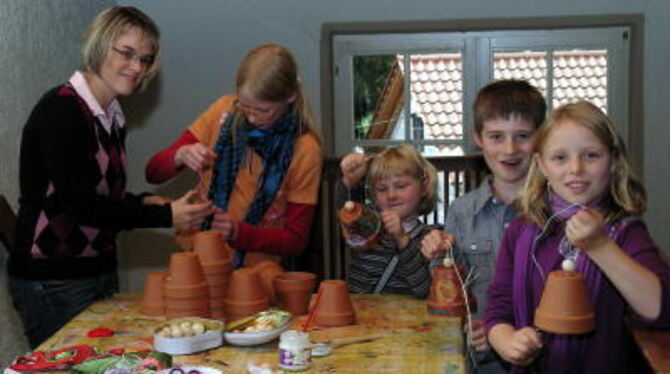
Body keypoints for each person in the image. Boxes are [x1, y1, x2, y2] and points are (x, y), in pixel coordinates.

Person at [8, 6, 213, 348]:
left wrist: (149, 201)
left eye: (145, 60)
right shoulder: (62, 110)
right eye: (127, 54)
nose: (137, 67)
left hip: (93, 269)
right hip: (53, 277)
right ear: (101, 46)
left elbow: (102, 198)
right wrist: (165, 215)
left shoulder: (112, 116)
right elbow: (81, 207)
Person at [484, 101, 670, 373]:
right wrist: (507, 341)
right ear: (542, 165)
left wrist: (600, 246)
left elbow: (662, 310)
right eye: (560, 158)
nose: (576, 169)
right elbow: (499, 309)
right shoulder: (520, 231)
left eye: (591, 155)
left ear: (614, 161)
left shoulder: (626, 234)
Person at [146, 44, 323, 269]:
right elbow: (152, 172)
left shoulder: (305, 148)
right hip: (198, 259)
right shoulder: (222, 112)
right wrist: (179, 156)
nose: (250, 118)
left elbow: (296, 241)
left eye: (262, 110)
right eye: (244, 106)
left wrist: (237, 232)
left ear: (290, 97)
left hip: (257, 270)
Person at [420, 79, 546, 373]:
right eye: (497, 136)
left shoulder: (555, 212)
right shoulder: (462, 211)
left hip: (545, 358)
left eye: (523, 135)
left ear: (541, 137)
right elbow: (453, 291)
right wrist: (437, 254)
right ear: (478, 137)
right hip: (480, 362)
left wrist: (504, 334)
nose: (510, 149)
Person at [337, 145, 439, 298]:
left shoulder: (431, 239)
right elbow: (348, 209)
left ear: (424, 187)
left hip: (407, 320)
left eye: (401, 186)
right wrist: (350, 181)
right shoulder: (368, 225)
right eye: (382, 189)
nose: (391, 195)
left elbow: (425, 292)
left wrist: (402, 240)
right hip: (360, 317)